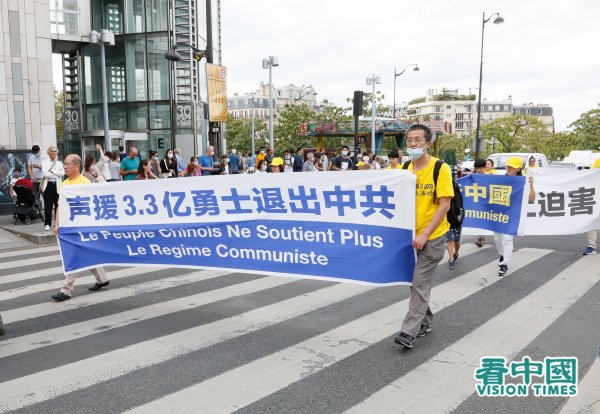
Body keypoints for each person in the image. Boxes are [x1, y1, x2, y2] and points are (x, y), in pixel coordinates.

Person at [394, 124, 454, 349]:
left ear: (428, 143)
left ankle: (408, 332)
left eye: (418, 140)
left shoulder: (441, 168)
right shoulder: (404, 167)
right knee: (415, 282)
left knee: (419, 282)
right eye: (409, 140)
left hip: (433, 235)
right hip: (409, 235)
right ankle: (425, 320)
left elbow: (444, 206)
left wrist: (425, 234)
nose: (413, 144)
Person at [51, 154, 109, 301]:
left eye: (67, 164)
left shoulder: (85, 183)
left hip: (81, 227)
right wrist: (56, 224)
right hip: (69, 226)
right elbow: (60, 205)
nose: (64, 166)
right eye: (64, 164)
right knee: (87, 252)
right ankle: (102, 279)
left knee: (73, 256)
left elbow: (92, 206)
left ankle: (66, 290)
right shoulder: (64, 183)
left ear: (77, 166)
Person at [494, 157, 536, 276]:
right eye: (508, 166)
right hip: (499, 213)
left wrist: (531, 185)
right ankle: (502, 254)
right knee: (497, 238)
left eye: (512, 167)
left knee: (507, 238)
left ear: (518, 169)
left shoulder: (524, 181)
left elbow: (532, 199)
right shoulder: (500, 180)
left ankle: (504, 264)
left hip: (513, 214)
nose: (509, 169)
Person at [40, 146, 65, 231]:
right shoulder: (44, 162)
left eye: (55, 151)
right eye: (52, 151)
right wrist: (56, 174)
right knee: (48, 205)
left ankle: (57, 223)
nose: (54, 153)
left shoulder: (59, 163)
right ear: (49, 153)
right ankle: (47, 224)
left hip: (57, 185)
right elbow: (45, 173)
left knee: (58, 205)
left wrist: (53, 172)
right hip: (48, 185)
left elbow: (63, 173)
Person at [582, 157, 600, 255]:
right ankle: (591, 246)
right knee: (592, 222)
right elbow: (591, 176)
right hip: (596, 197)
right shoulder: (598, 161)